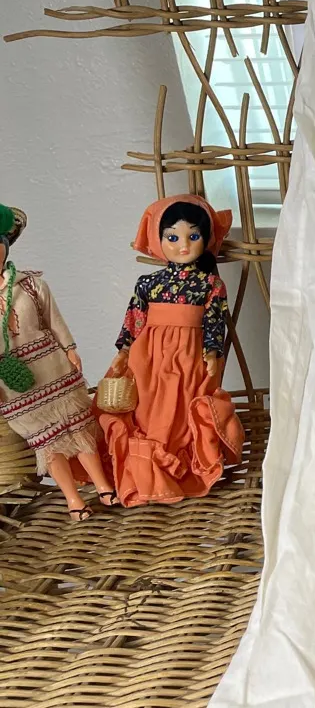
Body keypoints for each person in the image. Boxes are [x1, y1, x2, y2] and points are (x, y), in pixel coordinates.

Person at [101, 194, 244, 506]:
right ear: (159, 240)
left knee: (180, 409)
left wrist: (211, 352)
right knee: (148, 408)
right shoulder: (148, 283)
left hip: (189, 355)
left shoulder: (210, 284)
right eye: (172, 237)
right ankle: (147, 472)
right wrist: (124, 351)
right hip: (149, 355)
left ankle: (176, 470)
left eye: (193, 236)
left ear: (205, 239)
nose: (183, 245)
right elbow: (134, 318)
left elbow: (214, 319)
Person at [0, 204, 115, 521]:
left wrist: (70, 348)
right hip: (15, 384)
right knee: (46, 441)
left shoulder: (30, 285)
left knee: (78, 427)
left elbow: (54, 320)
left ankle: (103, 485)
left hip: (52, 367)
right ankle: (73, 499)